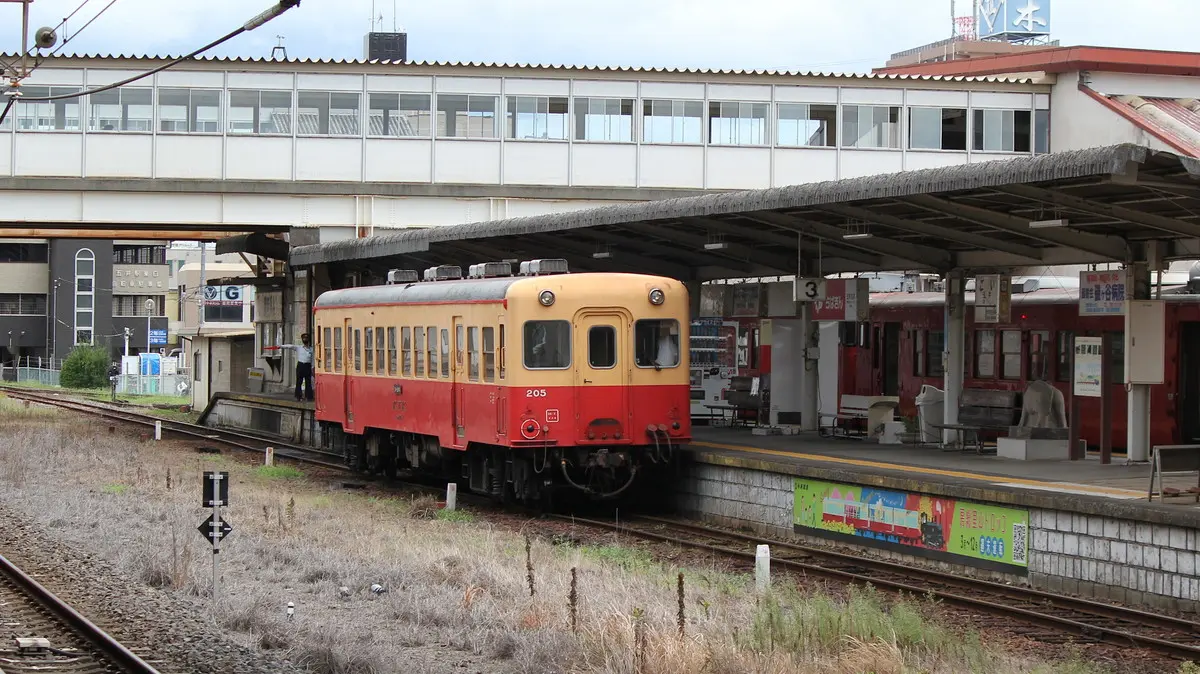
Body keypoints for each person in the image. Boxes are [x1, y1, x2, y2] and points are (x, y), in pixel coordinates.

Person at [278, 333, 314, 401]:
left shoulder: (311, 349)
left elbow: (312, 359)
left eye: (306, 338)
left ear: (308, 339)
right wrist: (281, 346)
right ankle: (298, 396)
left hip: (307, 366)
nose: (305, 339)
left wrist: (312, 367)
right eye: (304, 338)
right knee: (299, 381)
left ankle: (308, 396)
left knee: (308, 382)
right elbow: (290, 346)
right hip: (300, 365)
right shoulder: (299, 348)